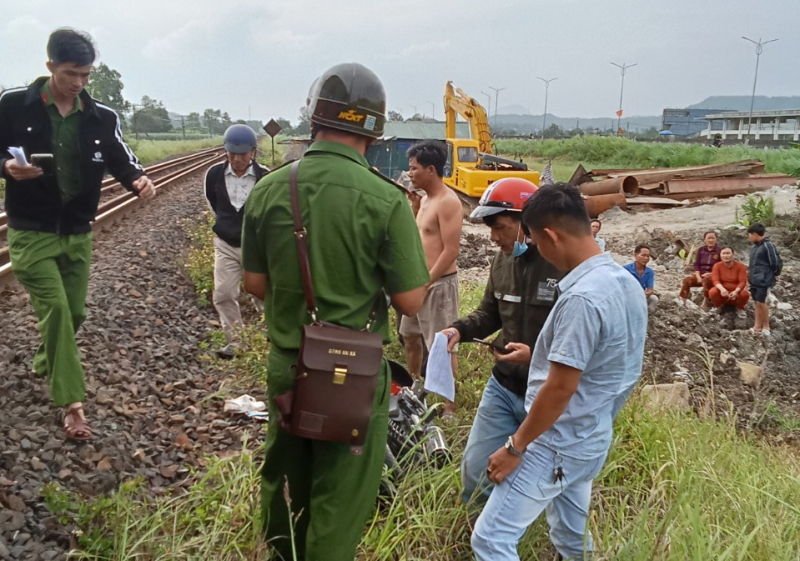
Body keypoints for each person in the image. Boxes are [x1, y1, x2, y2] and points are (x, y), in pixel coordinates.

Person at [241, 62, 428, 561]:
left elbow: (253, 284)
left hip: (287, 363)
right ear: (374, 131)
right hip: (353, 371)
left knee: (284, 481)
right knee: (341, 493)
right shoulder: (388, 200)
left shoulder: (267, 189)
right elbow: (411, 301)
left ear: (313, 119)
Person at [470, 183, 647, 561]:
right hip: (591, 436)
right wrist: (538, 355)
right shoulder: (624, 284)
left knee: (490, 540)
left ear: (550, 235)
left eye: (535, 239)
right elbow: (607, 363)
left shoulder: (582, 298)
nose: (538, 251)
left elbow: (560, 388)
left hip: (555, 444)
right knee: (571, 541)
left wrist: (515, 446)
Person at [0, 29, 155, 441]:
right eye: (71, 73)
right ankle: (72, 405)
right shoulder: (14, 105)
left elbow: (123, 160)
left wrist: (138, 180)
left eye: (86, 74)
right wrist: (7, 168)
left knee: (76, 313)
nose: (79, 83)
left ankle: (46, 358)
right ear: (51, 66)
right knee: (56, 312)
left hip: (77, 232)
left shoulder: (102, 116)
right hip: (31, 233)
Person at [438, 177, 562, 510]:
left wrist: (535, 357)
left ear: (529, 222)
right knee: (477, 470)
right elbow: (489, 314)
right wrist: (458, 331)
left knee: (552, 484)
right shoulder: (501, 261)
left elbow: (579, 340)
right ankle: (478, 532)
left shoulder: (562, 265)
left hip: (549, 392)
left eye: (500, 228)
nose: (493, 238)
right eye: (490, 229)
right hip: (504, 386)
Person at [399, 140, 462, 412]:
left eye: (414, 168)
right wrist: (414, 208)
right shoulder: (425, 200)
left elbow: (450, 251)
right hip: (418, 283)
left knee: (443, 345)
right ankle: (413, 388)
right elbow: (421, 238)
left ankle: (449, 406)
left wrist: (428, 282)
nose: (410, 173)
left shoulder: (448, 202)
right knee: (409, 336)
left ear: (431, 170)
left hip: (438, 285)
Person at [204, 124, 269, 358]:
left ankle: (271, 339)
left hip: (256, 247)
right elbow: (214, 204)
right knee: (223, 294)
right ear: (225, 151)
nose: (237, 159)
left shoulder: (265, 177)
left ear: (253, 152)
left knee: (262, 295)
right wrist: (227, 226)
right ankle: (237, 343)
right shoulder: (214, 175)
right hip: (225, 244)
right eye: (232, 153)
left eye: (243, 154)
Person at [747, 222, 782, 336]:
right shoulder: (755, 247)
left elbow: (774, 261)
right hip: (754, 278)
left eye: (750, 235)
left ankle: (766, 326)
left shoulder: (768, 245)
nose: (749, 237)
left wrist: (776, 273)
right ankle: (757, 326)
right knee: (756, 302)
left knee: (762, 302)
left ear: (755, 234)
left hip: (764, 278)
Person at [679, 230, 720, 309]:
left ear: (716, 239)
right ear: (704, 240)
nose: (711, 240)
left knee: (707, 279)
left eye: (713, 238)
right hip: (701, 274)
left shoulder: (720, 251)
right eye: (708, 238)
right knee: (687, 280)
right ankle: (683, 300)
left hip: (713, 276)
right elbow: (696, 265)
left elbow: (721, 267)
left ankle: (705, 301)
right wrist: (698, 277)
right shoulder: (701, 250)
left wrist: (710, 274)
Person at [709, 247, 749, 318]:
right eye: (723, 253)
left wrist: (736, 291)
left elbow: (742, 281)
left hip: (735, 293)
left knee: (745, 294)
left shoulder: (741, 266)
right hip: (722, 292)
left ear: (733, 254)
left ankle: (740, 308)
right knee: (712, 292)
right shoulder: (717, 266)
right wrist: (722, 289)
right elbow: (715, 280)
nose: (725, 256)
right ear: (720, 255)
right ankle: (718, 307)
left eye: (728, 253)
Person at [624, 244, 658, 310]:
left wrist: (644, 294)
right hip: (628, 297)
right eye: (643, 255)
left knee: (654, 299)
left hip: (642, 297)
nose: (646, 258)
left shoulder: (649, 272)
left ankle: (648, 314)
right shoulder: (626, 269)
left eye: (648, 256)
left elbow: (650, 289)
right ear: (636, 255)